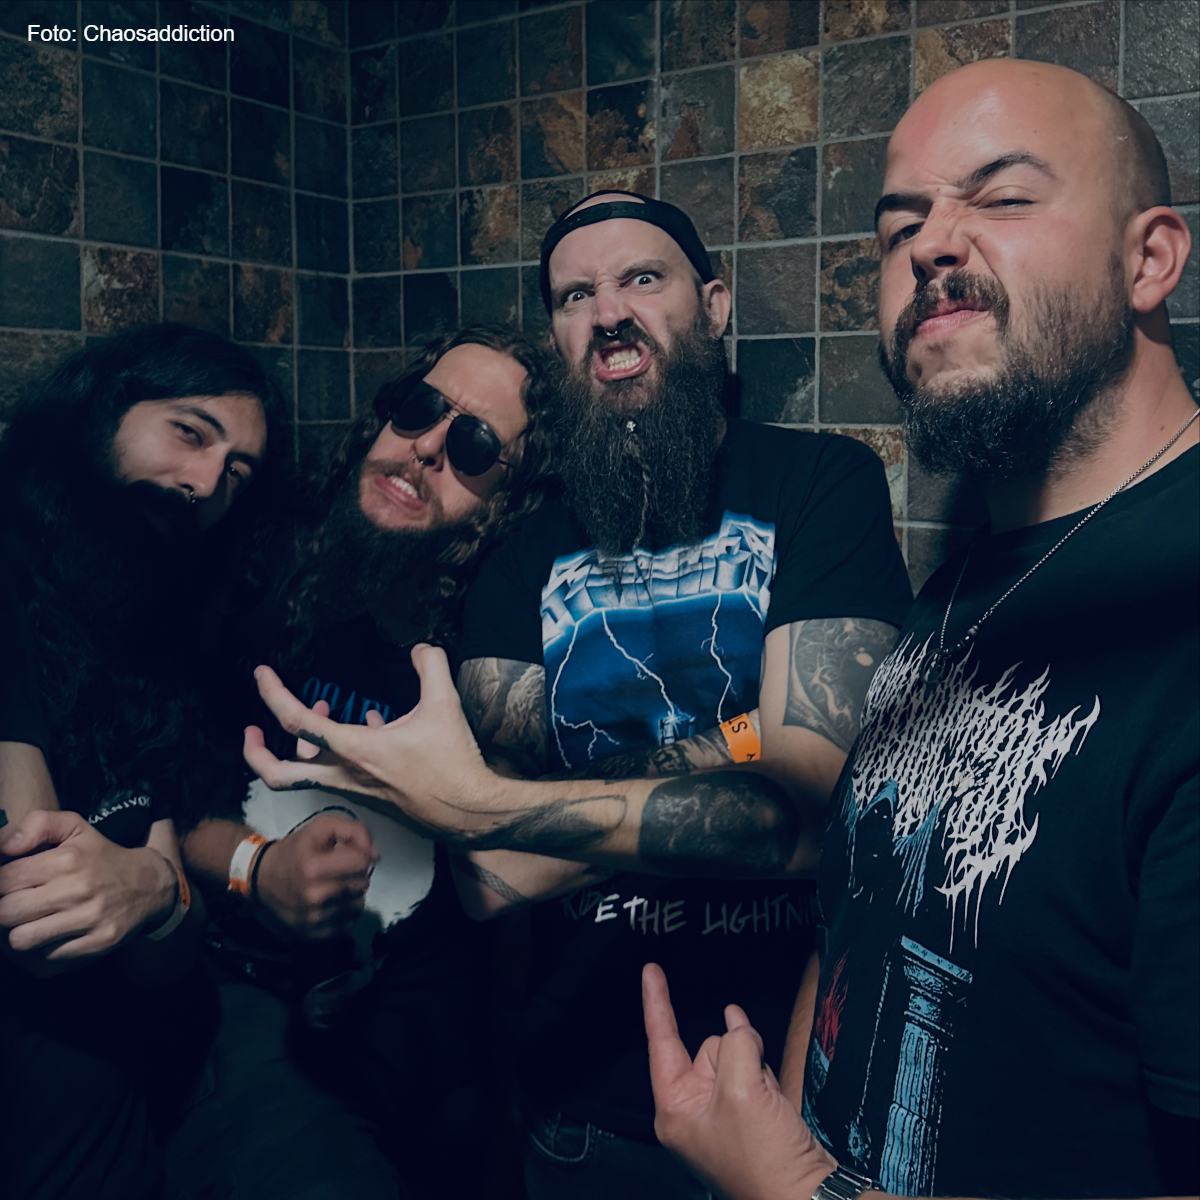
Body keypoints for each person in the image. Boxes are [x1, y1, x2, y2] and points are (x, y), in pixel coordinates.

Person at [244, 194, 913, 1199]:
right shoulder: (523, 551)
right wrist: (751, 744)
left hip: (802, 1090)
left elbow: (820, 804)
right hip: (585, 1106)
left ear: (714, 304)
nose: (607, 312)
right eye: (574, 294)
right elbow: (493, 874)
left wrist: (496, 804)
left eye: (642, 277)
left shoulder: (821, 481)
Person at [642, 58, 1199, 1200]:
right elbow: (858, 911)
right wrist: (787, 1136)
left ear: (1149, 259)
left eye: (1004, 197)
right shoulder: (969, 577)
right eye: (900, 226)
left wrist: (791, 1190)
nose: (932, 245)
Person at [175, 325, 558, 1199]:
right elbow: (163, 794)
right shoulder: (259, 574)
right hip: (245, 1017)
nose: (425, 447)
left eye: (474, 445)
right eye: (420, 408)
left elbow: (511, 907)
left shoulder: (502, 655)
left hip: (424, 1052)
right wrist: (259, 867)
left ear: (509, 501)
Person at [0, 323, 286, 1200]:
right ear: (102, 410)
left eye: (236, 474)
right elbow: (37, 906)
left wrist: (161, 892)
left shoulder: (144, 623)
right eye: (190, 432)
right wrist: (157, 889)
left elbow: (160, 936)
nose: (204, 482)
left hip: (98, 1105)